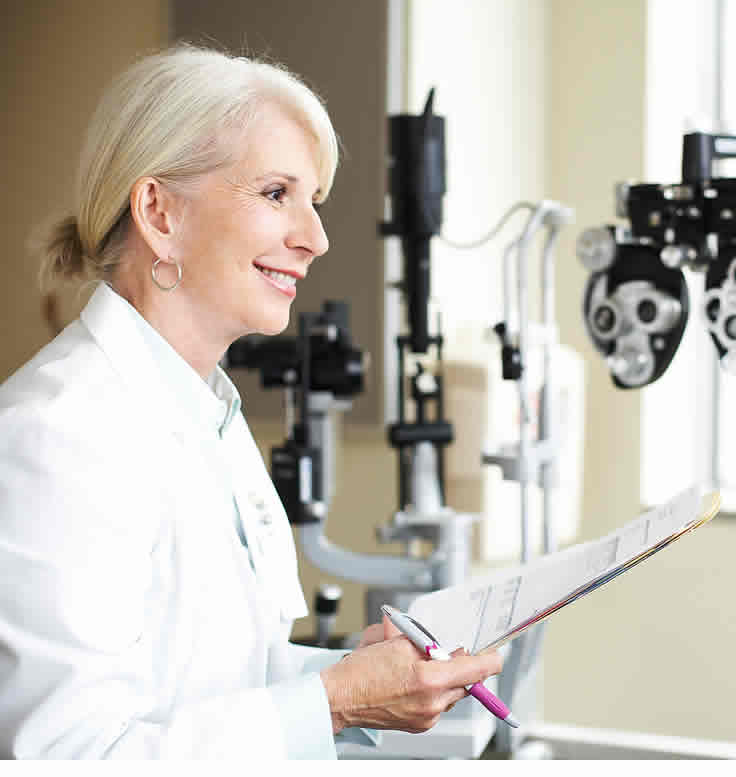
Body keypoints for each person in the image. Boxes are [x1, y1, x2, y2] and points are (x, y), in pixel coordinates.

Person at [0, 44, 502, 759]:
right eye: (276, 194)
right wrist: (334, 701)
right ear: (159, 212)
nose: (316, 238)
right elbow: (68, 758)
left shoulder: (209, 414)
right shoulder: (57, 435)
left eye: (314, 202)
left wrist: (352, 680)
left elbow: (218, 685)